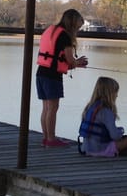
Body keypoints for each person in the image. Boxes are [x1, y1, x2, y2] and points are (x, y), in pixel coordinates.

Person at [36, 8, 88, 147]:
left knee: (46, 108)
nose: (78, 30)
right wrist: (79, 63)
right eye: (78, 26)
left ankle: (46, 138)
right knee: (53, 108)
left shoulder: (51, 30)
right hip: (52, 76)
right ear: (73, 23)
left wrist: (74, 64)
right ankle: (52, 139)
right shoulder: (65, 36)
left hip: (41, 72)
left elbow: (60, 60)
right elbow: (70, 61)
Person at [78, 76, 127, 157]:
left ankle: (124, 150)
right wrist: (121, 132)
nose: (117, 95)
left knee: (125, 140)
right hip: (100, 150)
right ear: (109, 93)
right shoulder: (106, 111)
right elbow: (115, 136)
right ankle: (122, 150)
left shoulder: (90, 107)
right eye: (116, 92)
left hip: (85, 149)